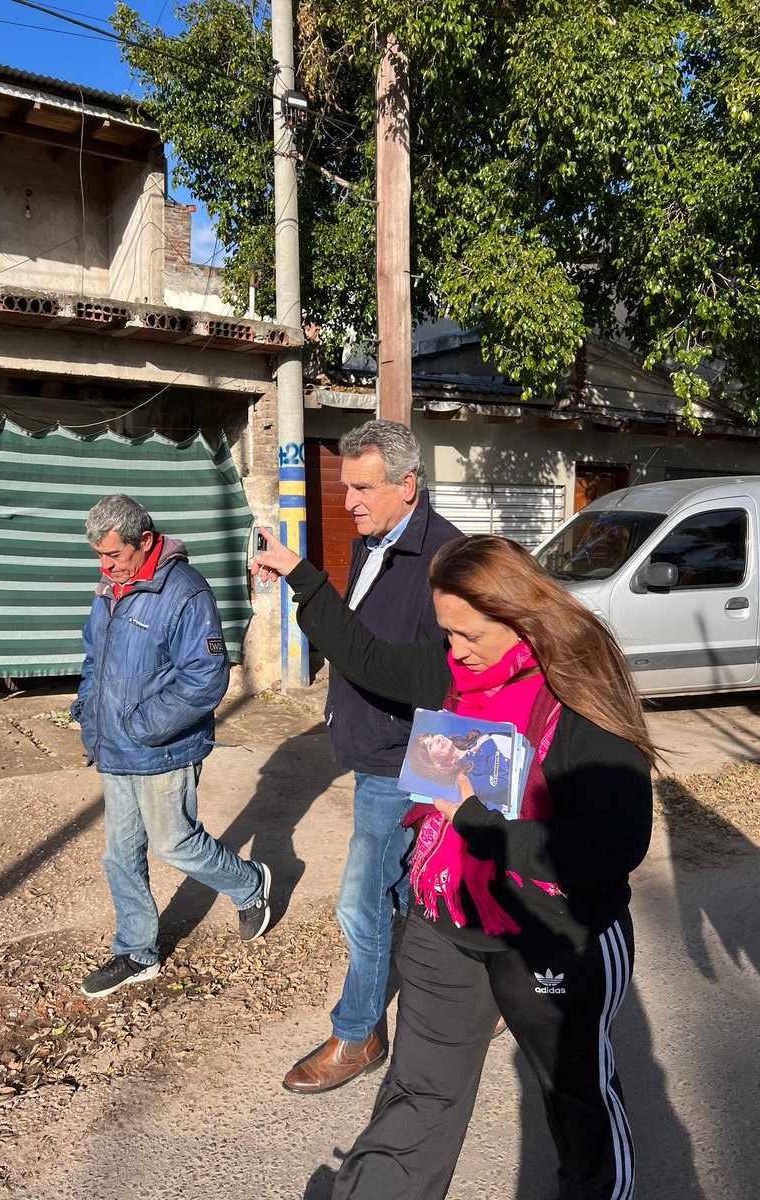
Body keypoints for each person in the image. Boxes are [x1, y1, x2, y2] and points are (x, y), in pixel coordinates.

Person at [254, 529, 654, 1200]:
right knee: (419, 1094)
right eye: (446, 633)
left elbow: (614, 845)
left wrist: (481, 820)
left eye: (467, 634)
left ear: (518, 615)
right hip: (446, 919)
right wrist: (304, 578)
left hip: (552, 934)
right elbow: (369, 658)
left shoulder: (581, 686)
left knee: (577, 1103)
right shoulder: (452, 669)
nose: (454, 650)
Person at [281, 419, 462, 1095]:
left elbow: (423, 676)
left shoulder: (446, 559)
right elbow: (355, 640)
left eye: (362, 487)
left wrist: (303, 582)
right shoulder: (371, 544)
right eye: (345, 486)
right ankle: (484, 985)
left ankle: (358, 1034)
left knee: (361, 902)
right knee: (417, 895)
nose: (350, 500)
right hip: (374, 751)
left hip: (410, 759)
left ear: (406, 485)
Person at [71, 494, 271, 999]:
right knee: (120, 854)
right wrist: (88, 710)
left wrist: (140, 726)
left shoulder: (186, 592)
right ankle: (137, 951)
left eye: (113, 555)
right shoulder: (110, 587)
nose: (105, 565)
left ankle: (249, 884)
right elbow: (96, 656)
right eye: (99, 556)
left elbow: (206, 678)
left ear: (144, 541)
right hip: (114, 746)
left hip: (160, 746)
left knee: (173, 843)